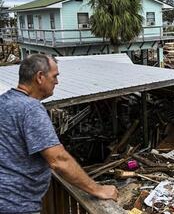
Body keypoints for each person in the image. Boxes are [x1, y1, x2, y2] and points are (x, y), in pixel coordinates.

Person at [0, 54, 118, 213]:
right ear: (40, 77)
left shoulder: (4, 101)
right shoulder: (30, 109)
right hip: (16, 204)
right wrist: (98, 189)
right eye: (54, 76)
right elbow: (58, 160)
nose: (57, 82)